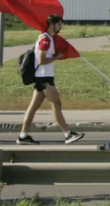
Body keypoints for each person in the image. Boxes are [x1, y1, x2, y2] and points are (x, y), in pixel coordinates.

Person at [17, 14, 85, 146]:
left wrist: (55, 57)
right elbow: (42, 60)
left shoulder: (47, 38)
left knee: (33, 107)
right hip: (44, 78)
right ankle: (68, 134)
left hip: (42, 77)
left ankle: (23, 136)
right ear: (52, 25)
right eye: (59, 24)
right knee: (56, 104)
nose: (60, 27)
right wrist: (56, 57)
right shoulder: (46, 40)